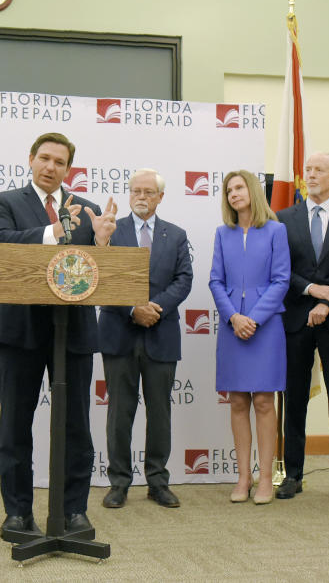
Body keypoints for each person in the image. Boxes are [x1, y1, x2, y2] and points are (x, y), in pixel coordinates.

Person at [0, 132, 117, 540]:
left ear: (68, 169)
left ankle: (73, 510)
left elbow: (102, 274)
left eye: (60, 162)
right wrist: (53, 232)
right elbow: (1, 244)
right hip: (18, 331)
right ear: (31, 159)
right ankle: (18, 513)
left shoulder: (89, 210)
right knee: (15, 424)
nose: (50, 167)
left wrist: (102, 242)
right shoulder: (4, 202)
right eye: (44, 158)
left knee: (76, 425)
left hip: (73, 332)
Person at [98, 169, 193, 509]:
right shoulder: (111, 231)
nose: (141, 196)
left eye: (148, 192)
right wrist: (131, 309)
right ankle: (119, 483)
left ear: (160, 197)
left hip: (161, 332)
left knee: (160, 412)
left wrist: (156, 308)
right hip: (119, 333)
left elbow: (184, 279)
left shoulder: (176, 235)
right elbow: (102, 277)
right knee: (119, 413)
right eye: (135, 190)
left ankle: (157, 481)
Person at [275, 152, 329, 502]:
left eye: (319, 170)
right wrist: (312, 291)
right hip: (296, 318)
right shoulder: (283, 218)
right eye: (307, 170)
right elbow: (280, 269)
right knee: (294, 398)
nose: (311, 175)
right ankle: (293, 474)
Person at [209, 170, 290, 504]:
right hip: (232, 327)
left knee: (263, 401)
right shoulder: (222, 233)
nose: (233, 194)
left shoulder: (275, 230)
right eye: (229, 190)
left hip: (266, 326)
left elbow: (281, 279)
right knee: (238, 399)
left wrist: (253, 318)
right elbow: (215, 280)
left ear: (253, 191)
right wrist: (233, 317)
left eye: (239, 188)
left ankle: (266, 479)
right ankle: (243, 478)